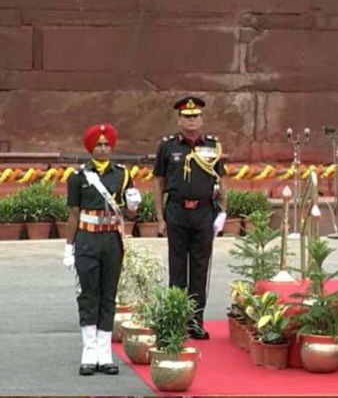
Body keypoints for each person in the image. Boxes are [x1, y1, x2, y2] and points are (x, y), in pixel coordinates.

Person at [62, 123, 141, 376]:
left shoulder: (123, 174)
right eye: (99, 144)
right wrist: (68, 247)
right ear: (90, 148)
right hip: (87, 239)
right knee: (88, 294)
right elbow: (73, 214)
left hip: (111, 241)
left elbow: (129, 211)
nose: (104, 148)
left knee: (109, 294)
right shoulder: (78, 177)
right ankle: (89, 351)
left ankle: (105, 353)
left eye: (107, 144)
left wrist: (134, 206)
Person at [153, 96, 226, 339]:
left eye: (195, 116)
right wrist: (160, 218)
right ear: (179, 119)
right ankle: (176, 320)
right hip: (177, 211)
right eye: (186, 116)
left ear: (202, 119)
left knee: (199, 268)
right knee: (177, 269)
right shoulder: (168, 146)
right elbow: (158, 182)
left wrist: (223, 212)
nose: (191, 120)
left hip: (204, 212)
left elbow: (221, 180)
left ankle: (196, 321)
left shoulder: (212, 146)